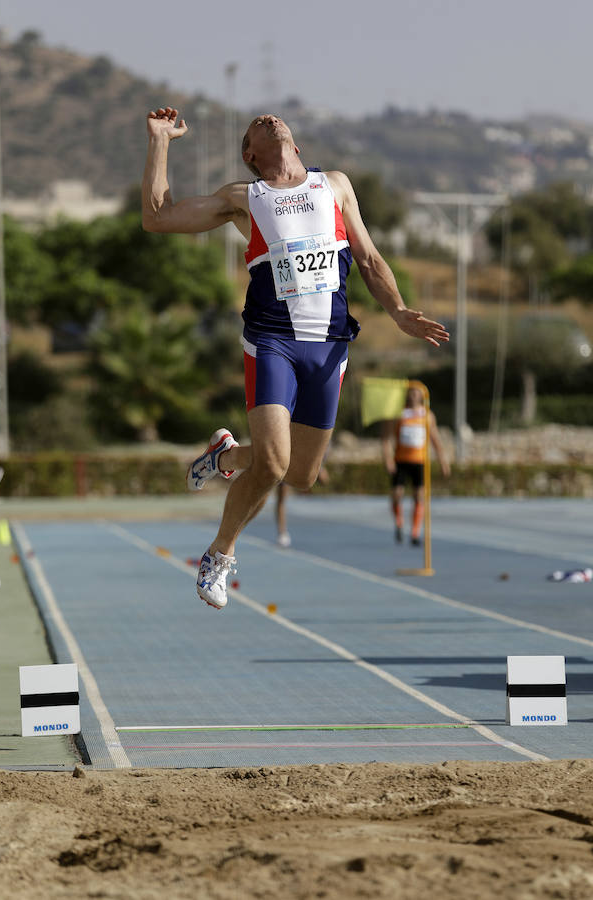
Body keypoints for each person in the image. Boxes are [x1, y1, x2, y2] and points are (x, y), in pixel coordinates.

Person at [142, 108, 449, 609]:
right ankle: (219, 554)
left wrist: (397, 311)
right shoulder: (245, 198)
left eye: (276, 119)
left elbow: (368, 259)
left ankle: (222, 456)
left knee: (300, 475)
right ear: (250, 154)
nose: (270, 117)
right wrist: (160, 142)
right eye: (258, 124)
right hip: (272, 342)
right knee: (272, 462)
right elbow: (157, 217)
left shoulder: (336, 186)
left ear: (297, 144)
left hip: (329, 345)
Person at [381, 385, 450, 546]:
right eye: (410, 393)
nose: (413, 396)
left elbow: (435, 440)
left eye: (416, 394)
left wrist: (443, 462)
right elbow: (387, 439)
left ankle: (415, 532)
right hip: (401, 460)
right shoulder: (399, 413)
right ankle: (399, 522)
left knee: (419, 495)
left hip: (419, 461)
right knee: (397, 494)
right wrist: (388, 459)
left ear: (421, 396)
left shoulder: (427, 415)